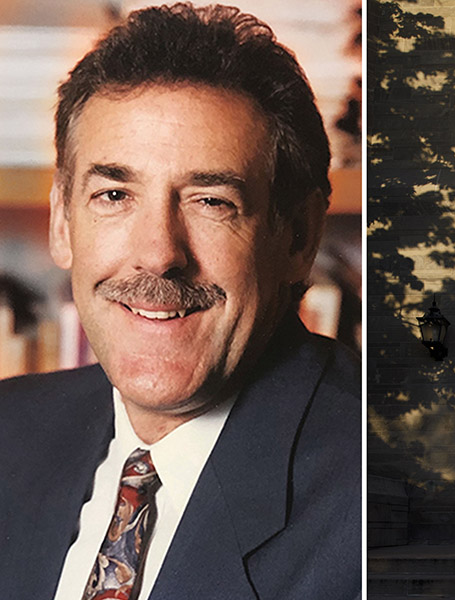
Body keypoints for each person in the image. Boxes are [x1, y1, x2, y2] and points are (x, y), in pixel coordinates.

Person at [0, 4, 361, 599]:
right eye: (114, 194)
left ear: (298, 235)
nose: (158, 254)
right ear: (62, 221)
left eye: (211, 201)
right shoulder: (8, 433)